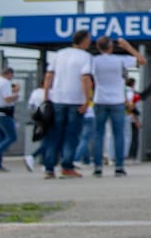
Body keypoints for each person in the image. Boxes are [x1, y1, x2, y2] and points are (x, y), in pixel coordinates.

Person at [43, 30, 96, 179]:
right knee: (71, 135)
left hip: (57, 99)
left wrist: (46, 96)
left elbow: (49, 75)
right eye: (89, 39)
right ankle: (67, 166)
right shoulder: (86, 56)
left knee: (54, 135)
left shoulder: (59, 54)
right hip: (76, 100)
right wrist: (87, 100)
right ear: (84, 41)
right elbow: (85, 78)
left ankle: (49, 168)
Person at [89, 41, 143, 176]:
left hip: (99, 99)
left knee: (99, 134)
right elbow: (141, 60)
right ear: (111, 47)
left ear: (98, 47)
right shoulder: (120, 60)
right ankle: (119, 166)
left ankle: (98, 167)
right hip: (117, 100)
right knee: (118, 134)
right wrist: (127, 46)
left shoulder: (93, 61)